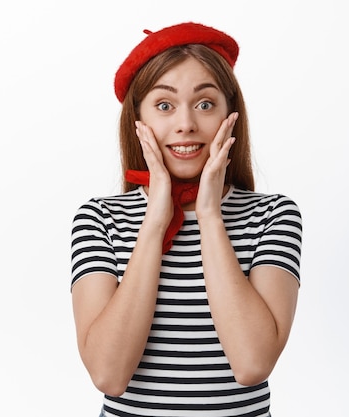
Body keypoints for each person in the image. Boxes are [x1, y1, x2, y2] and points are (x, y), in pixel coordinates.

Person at [70, 22, 302, 417]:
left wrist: (210, 217)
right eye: (164, 105)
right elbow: (109, 375)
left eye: (205, 103)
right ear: (136, 120)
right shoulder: (100, 218)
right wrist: (155, 221)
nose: (186, 124)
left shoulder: (273, 215)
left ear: (232, 114)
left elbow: (252, 364)